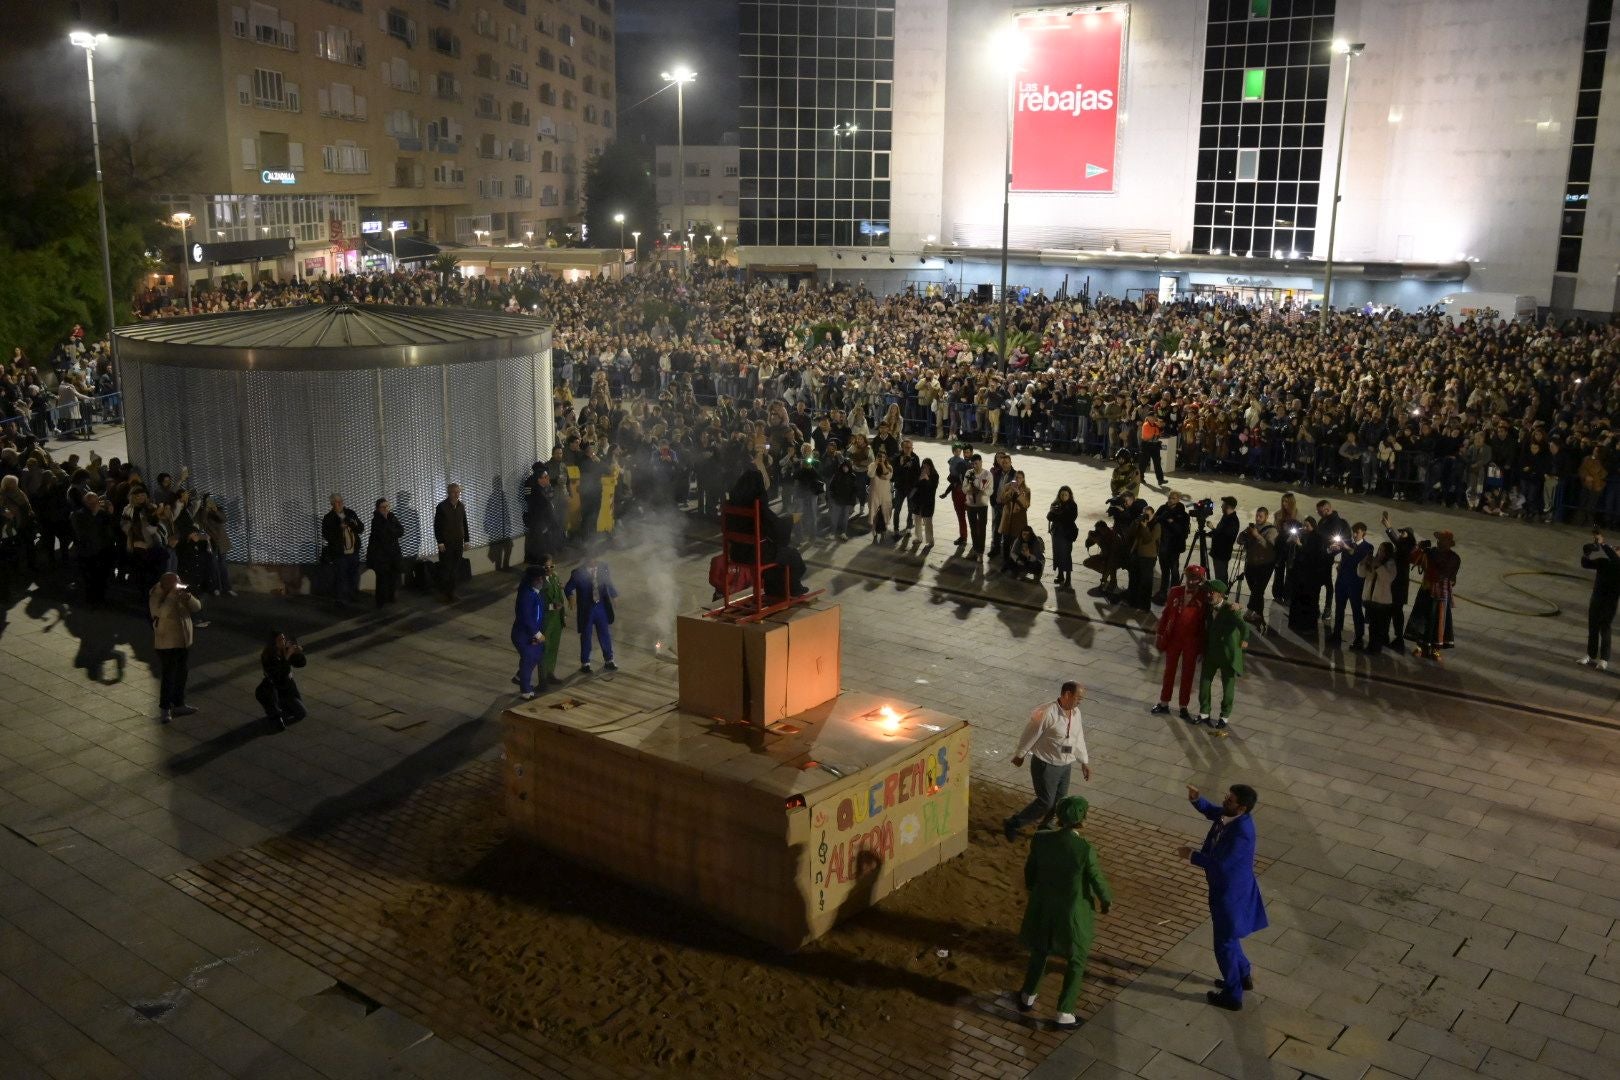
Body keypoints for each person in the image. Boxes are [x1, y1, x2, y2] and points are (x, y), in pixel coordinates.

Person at [1014, 795, 1112, 1030]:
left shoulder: (1040, 840)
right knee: (1076, 959)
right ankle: (1065, 1011)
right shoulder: (1084, 849)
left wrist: (1034, 889)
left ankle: (1028, 995)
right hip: (1072, 912)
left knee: (1040, 949)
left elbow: (1030, 872)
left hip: (1043, 906)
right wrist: (1106, 900)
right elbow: (1096, 879)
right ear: (1083, 820)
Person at [1177, 783, 1268, 1012]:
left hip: (1231, 895)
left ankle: (1232, 993)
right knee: (1230, 937)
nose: (1225, 801)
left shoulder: (1242, 834)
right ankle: (1244, 974)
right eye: (1227, 796)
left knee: (1224, 944)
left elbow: (1222, 865)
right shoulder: (1231, 816)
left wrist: (1192, 856)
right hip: (1226, 890)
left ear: (1242, 808)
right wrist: (1197, 800)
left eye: (1230, 799)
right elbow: (1213, 811)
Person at [1004, 682, 1091, 841]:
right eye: (1078, 698)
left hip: (1065, 765)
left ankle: (1046, 828)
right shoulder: (1046, 713)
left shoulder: (1076, 713)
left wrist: (1084, 762)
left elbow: (1078, 738)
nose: (1080, 702)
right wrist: (1020, 754)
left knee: (1059, 801)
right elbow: (1030, 734)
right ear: (1066, 694)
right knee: (1045, 801)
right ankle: (1014, 823)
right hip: (1046, 764)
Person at [1152, 564, 1209, 721]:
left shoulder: (1204, 597)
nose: (1192, 581)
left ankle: (1183, 706)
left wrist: (1203, 647)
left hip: (1192, 640)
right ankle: (1164, 703)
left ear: (1201, 580)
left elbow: (1206, 623)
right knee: (1169, 670)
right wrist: (1159, 634)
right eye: (1190, 577)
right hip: (1174, 637)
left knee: (1188, 674)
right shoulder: (1175, 591)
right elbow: (1166, 614)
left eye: (1196, 579)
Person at [1195, 581, 1250, 729]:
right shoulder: (1208, 608)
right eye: (1208, 592)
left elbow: (1243, 626)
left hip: (1227, 655)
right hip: (1212, 652)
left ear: (1221, 594)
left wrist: (1244, 639)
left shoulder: (1230, 609)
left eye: (1212, 592)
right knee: (1205, 682)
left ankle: (1224, 716)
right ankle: (1204, 713)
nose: (1208, 595)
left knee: (1228, 686)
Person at [149, 571, 201, 724]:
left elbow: (197, 607)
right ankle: (165, 708)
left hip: (183, 641)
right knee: (168, 676)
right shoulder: (156, 595)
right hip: (166, 643)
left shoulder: (179, 593)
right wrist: (172, 596)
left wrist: (189, 598)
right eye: (174, 583)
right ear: (165, 584)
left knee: (182, 673)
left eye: (178, 582)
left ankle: (179, 704)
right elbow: (161, 613)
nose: (177, 585)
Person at [1409, 530, 1460, 661]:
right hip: (1426, 590)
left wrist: (1428, 557)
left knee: (1439, 621)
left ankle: (1435, 648)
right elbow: (1413, 559)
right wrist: (1419, 548)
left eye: (1442, 540)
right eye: (1439, 540)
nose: (1439, 542)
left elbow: (1442, 573)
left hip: (1441, 594)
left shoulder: (1454, 558)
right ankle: (1420, 646)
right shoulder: (1430, 552)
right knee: (1422, 617)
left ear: (1449, 543)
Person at [565, 552, 618, 673]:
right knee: (586, 636)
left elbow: (608, 582)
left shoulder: (602, 567)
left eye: (595, 558)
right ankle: (585, 663)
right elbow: (568, 587)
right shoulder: (578, 573)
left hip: (600, 607)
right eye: (590, 559)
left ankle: (609, 660)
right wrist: (570, 596)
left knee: (604, 633)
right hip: (587, 609)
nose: (593, 561)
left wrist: (614, 595)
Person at [1327, 522, 1373, 647]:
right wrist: (1331, 549)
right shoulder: (1348, 542)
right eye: (1353, 532)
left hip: (1355, 584)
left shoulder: (1368, 547)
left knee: (1356, 610)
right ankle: (1337, 633)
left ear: (1363, 533)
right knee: (1339, 609)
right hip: (1342, 582)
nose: (1354, 535)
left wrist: (1346, 547)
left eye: (1357, 532)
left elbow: (1358, 556)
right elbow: (1333, 552)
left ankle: (1359, 637)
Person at [1579, 532, 1618, 671]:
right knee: (1593, 628)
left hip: (1610, 602)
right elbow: (1585, 564)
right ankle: (1590, 655)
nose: (1615, 550)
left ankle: (1604, 659)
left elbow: (1615, 559)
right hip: (1596, 599)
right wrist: (1587, 552)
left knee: (1605, 628)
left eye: (1618, 549)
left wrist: (1603, 543)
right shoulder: (1604, 562)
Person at [71, 491, 117, 605]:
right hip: (88, 553)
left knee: (103, 578)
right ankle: (91, 601)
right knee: (90, 579)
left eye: (97, 501)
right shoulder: (78, 515)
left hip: (103, 551)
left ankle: (101, 598)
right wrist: (96, 512)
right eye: (92, 502)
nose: (96, 504)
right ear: (86, 503)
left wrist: (110, 513)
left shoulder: (102, 513)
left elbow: (110, 527)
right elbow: (85, 532)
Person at [256, 632, 307, 731]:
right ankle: (276, 713)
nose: (283, 641)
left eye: (283, 638)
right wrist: (287, 655)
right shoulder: (268, 656)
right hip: (278, 688)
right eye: (280, 640)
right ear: (273, 643)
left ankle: (281, 709)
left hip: (290, 686)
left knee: (296, 710)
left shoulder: (284, 650)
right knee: (302, 713)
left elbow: (301, 664)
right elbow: (279, 674)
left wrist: (298, 653)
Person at [1357, 540, 1401, 655]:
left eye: (1382, 550)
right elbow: (1361, 574)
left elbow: (1387, 578)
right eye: (1379, 549)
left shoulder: (1390, 564)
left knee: (1379, 627)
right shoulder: (1374, 561)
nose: (1380, 552)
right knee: (1372, 626)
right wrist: (1364, 562)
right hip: (1371, 599)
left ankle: (1376, 648)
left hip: (1382, 601)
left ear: (1387, 553)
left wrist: (1377, 565)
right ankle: (1371, 646)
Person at [511, 565, 547, 700]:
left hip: (531, 634)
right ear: (534, 580)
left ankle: (519, 677)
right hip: (523, 635)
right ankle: (526, 691)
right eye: (540, 579)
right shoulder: (526, 595)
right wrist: (537, 634)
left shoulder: (534, 592)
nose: (542, 581)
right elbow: (526, 617)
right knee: (529, 659)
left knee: (535, 655)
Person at [321, 494, 365, 603]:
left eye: (341, 501)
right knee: (341, 576)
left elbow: (361, 528)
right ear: (332, 504)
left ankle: (353, 595)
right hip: (339, 553)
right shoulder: (328, 517)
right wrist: (338, 529)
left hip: (354, 551)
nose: (340, 503)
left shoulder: (350, 513)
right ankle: (341, 599)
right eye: (337, 502)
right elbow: (326, 535)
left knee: (354, 575)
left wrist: (353, 524)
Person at [1236, 507, 1277, 618]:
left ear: (1266, 516)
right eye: (1257, 516)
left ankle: (1252, 610)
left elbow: (1269, 547)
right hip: (1251, 562)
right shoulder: (1251, 527)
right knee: (1255, 589)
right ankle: (1257, 612)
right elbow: (1239, 541)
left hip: (1265, 564)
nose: (1258, 518)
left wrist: (1257, 535)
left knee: (1258, 589)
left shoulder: (1271, 530)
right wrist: (1243, 535)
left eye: (1260, 516)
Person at [434, 483, 470, 602]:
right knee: (446, 568)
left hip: (458, 542)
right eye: (454, 492)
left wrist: (467, 540)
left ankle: (452, 592)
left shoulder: (461, 506)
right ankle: (444, 593)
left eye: (458, 492)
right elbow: (437, 526)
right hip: (446, 543)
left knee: (455, 568)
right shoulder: (441, 507)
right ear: (448, 493)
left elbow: (464, 523)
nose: (456, 494)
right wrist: (440, 542)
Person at [366, 497, 405, 607]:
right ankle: (380, 601)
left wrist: (391, 531)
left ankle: (391, 597)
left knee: (393, 576)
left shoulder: (392, 516)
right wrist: (390, 527)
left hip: (393, 553)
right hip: (381, 555)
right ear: (378, 508)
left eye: (387, 506)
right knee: (382, 579)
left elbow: (401, 530)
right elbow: (382, 535)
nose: (386, 509)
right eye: (383, 507)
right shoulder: (376, 520)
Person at [537, 554, 568, 686]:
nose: (549, 568)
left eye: (551, 566)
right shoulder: (539, 582)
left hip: (556, 620)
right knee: (544, 650)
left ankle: (550, 673)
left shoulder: (555, 577)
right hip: (545, 621)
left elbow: (560, 597)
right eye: (546, 566)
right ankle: (542, 679)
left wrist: (563, 614)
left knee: (554, 648)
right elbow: (538, 603)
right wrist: (553, 606)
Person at [1047, 485, 1079, 588]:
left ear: (1069, 495)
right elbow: (1049, 517)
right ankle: (1060, 575)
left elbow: (1071, 518)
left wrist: (1059, 513)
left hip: (1066, 534)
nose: (1064, 496)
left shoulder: (1072, 505)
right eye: (1062, 494)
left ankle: (1068, 577)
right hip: (1056, 533)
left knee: (1066, 555)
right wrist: (1053, 510)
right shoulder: (1055, 504)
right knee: (1057, 554)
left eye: (1066, 494)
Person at [963, 453, 993, 557]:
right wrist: (969, 489)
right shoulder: (969, 473)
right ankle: (975, 547)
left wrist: (981, 491)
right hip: (970, 505)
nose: (974, 466)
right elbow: (964, 488)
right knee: (973, 527)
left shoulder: (987, 474)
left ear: (981, 462)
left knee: (982, 528)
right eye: (973, 464)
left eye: (976, 463)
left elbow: (990, 490)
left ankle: (981, 550)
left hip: (982, 505)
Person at [909, 458, 939, 548]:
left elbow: (933, 488)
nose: (925, 468)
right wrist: (919, 479)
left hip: (928, 502)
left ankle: (930, 541)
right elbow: (914, 485)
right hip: (918, 501)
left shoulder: (935, 475)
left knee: (928, 522)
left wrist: (927, 479)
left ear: (930, 466)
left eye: (926, 466)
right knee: (917, 520)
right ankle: (918, 538)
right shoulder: (919, 473)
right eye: (923, 466)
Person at [1209, 497, 1240, 580]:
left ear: (1228, 506)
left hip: (1222, 555)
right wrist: (1211, 533)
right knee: (1219, 576)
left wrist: (1212, 528)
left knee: (1221, 578)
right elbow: (1220, 532)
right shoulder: (1226, 517)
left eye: (1223, 505)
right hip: (1217, 553)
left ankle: (1222, 593)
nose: (1221, 506)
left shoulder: (1233, 521)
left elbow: (1224, 538)